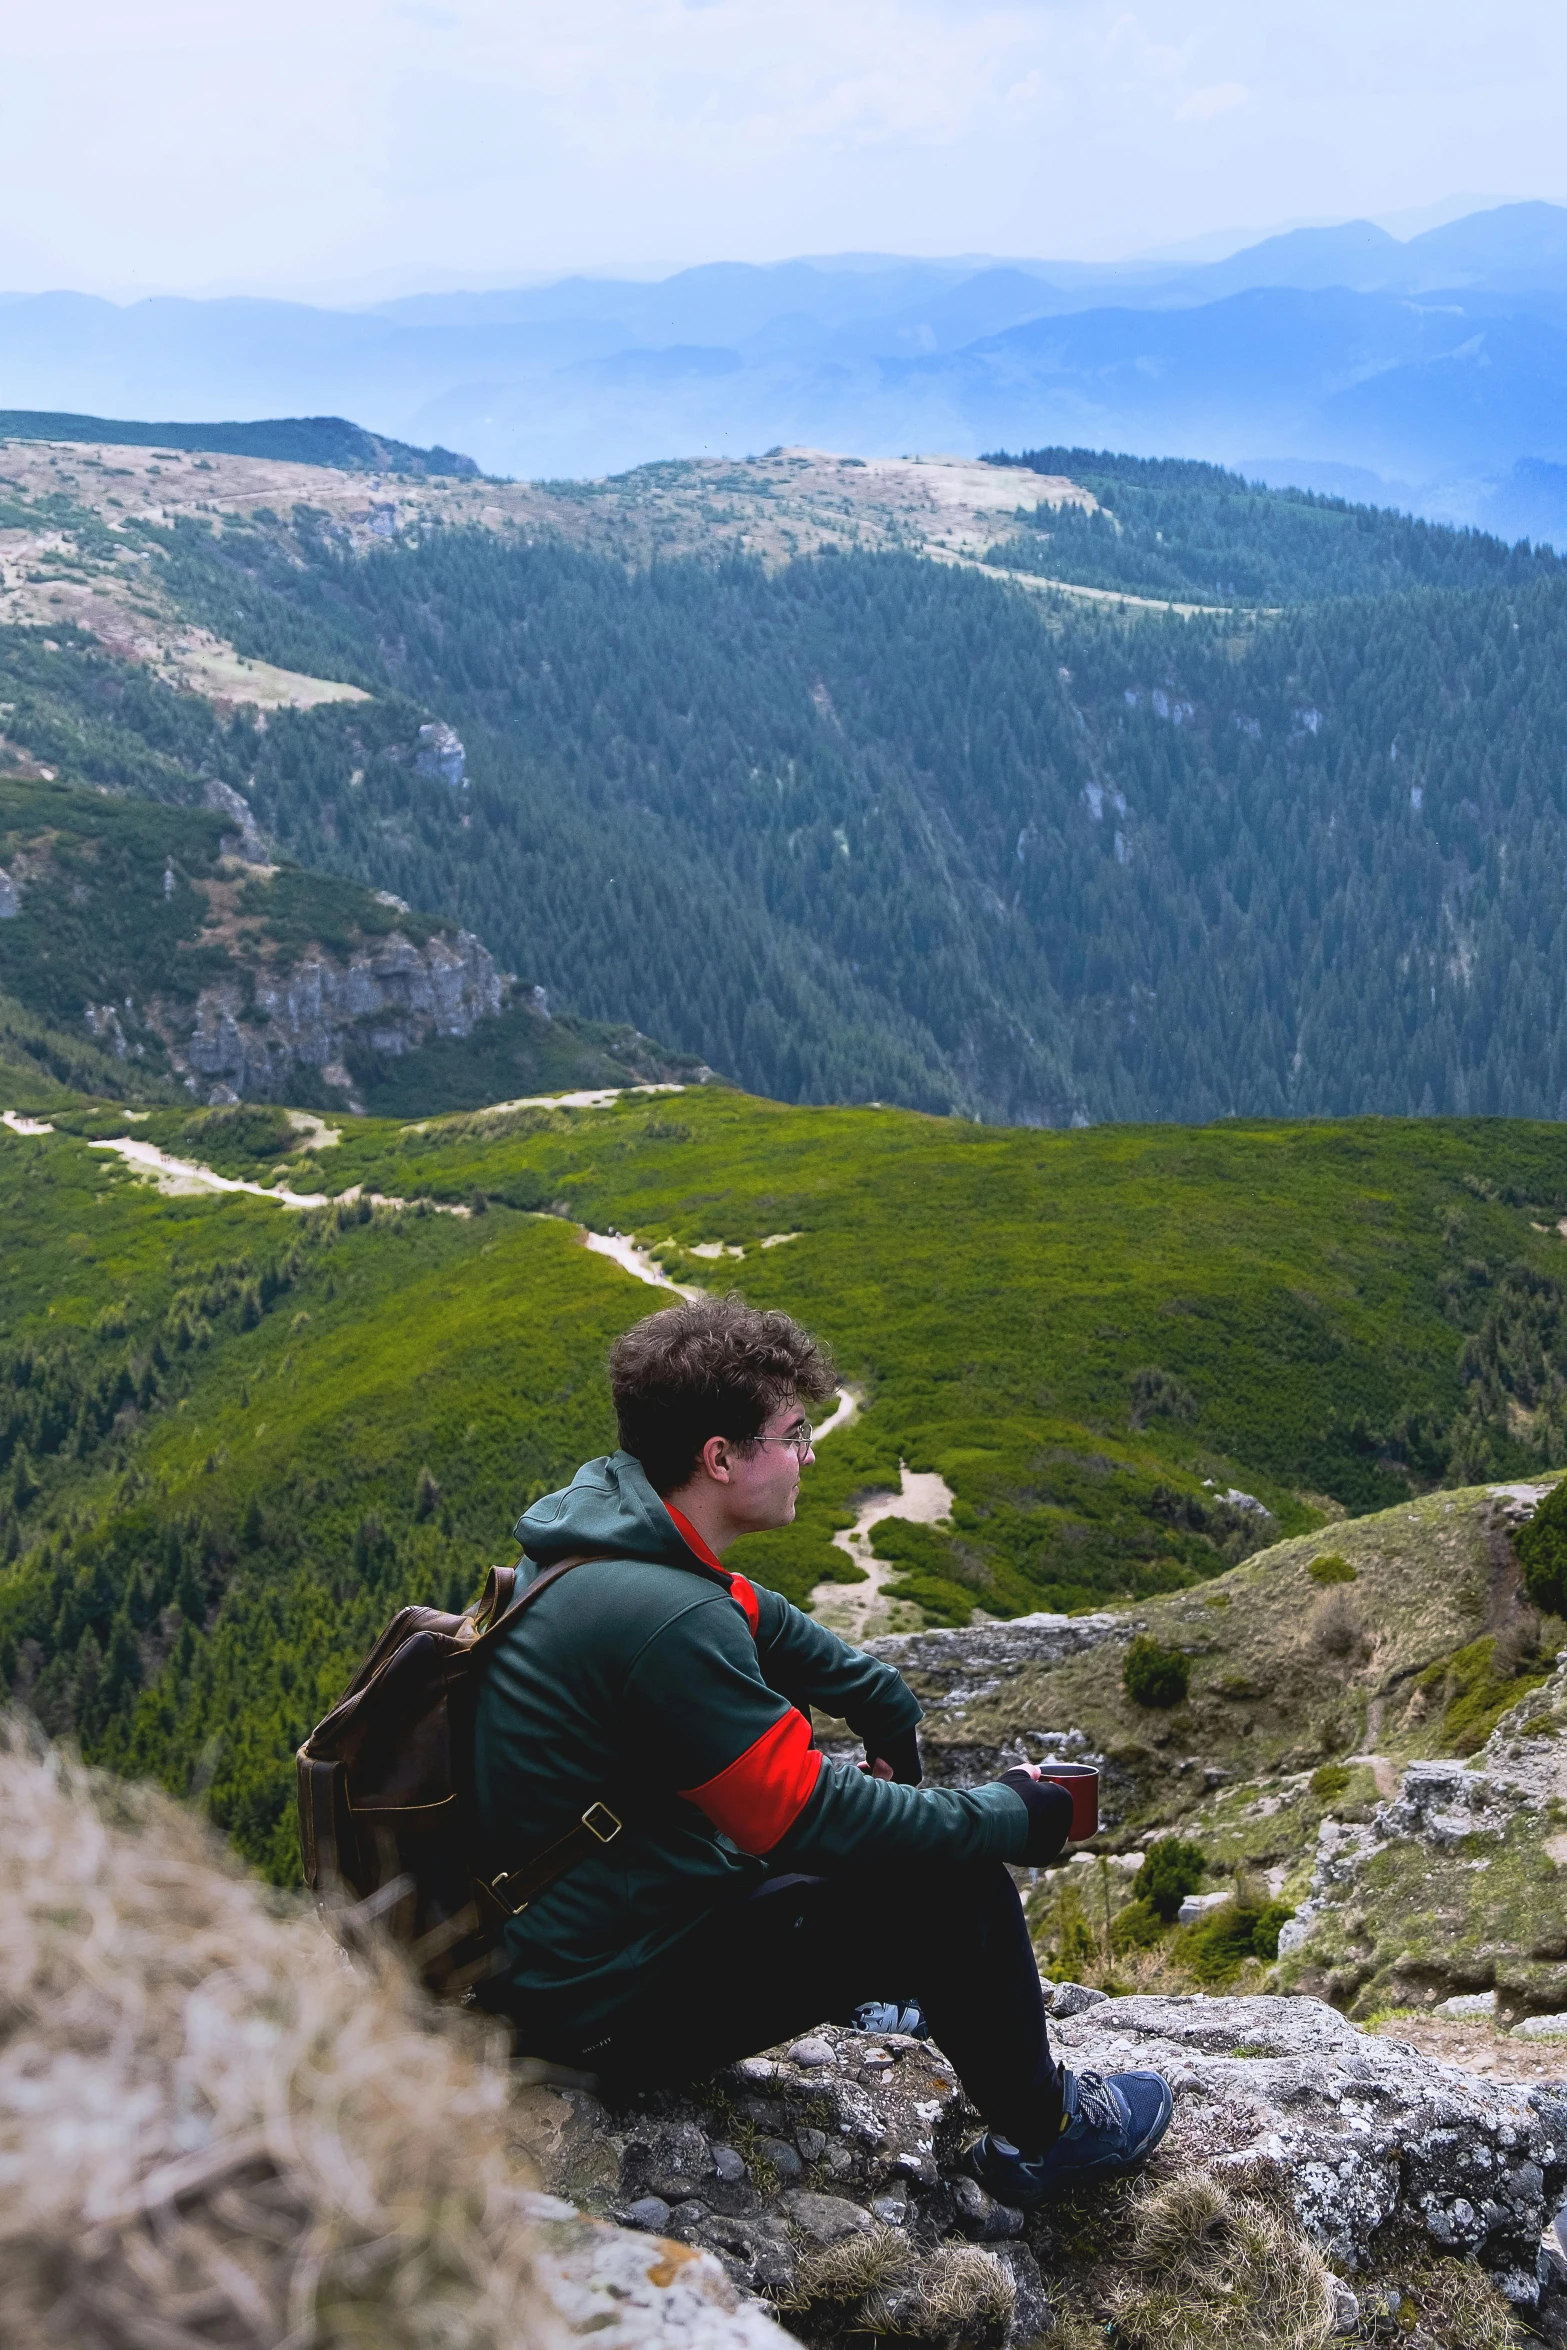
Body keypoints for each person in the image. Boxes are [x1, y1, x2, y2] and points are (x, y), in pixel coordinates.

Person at [473, 1295, 1172, 2205]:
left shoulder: (600, 1535)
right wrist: (1010, 1815)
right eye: (793, 1434)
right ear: (719, 1458)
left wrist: (882, 1701)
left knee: (870, 1841)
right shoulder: (663, 1618)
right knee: (948, 1882)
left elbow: (746, 1610)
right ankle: (1052, 2133)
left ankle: (889, 1991)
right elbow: (805, 1820)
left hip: (565, 1945)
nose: (810, 1454)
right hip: (595, 2015)